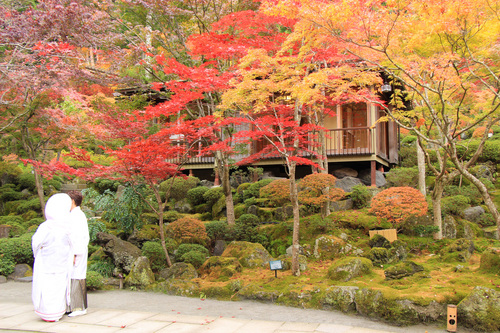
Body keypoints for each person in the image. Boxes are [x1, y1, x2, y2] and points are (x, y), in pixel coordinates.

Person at [32, 193, 73, 322]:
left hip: (47, 260)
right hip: (61, 260)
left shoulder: (46, 227)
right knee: (58, 285)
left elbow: (36, 243)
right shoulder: (67, 226)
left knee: (48, 286)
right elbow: (72, 244)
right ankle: (56, 312)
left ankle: (48, 312)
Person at [66, 190, 89, 317]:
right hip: (75, 250)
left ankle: (79, 307)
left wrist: (74, 254)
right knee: (73, 277)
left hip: (76, 251)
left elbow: (77, 236)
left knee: (77, 277)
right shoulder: (75, 215)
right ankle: (73, 306)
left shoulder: (76, 216)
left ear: (73, 201)